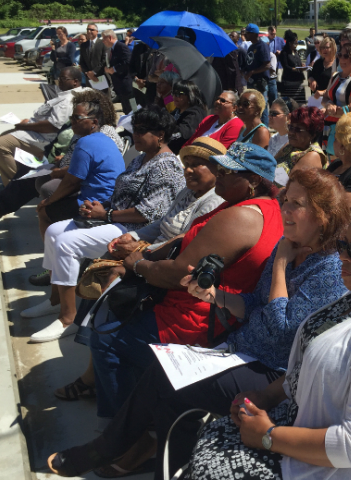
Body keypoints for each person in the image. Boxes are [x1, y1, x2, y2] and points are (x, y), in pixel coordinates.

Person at [46, 168, 351, 478]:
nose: (285, 209)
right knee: (169, 393)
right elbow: (255, 304)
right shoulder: (288, 245)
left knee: (166, 379)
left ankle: (106, 448)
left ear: (322, 216)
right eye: (285, 200)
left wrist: (281, 265)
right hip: (241, 349)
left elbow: (284, 331)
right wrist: (214, 296)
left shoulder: (329, 270)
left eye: (296, 204)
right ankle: (165, 469)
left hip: (275, 371)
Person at [178, 199, 351, 480]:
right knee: (213, 436)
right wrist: (267, 396)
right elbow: (312, 365)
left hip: (343, 467)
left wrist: (268, 436)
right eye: (343, 246)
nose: (343, 257)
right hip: (301, 428)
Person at [89, 143, 284, 425]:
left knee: (106, 337)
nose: (219, 173)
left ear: (253, 180)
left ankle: (127, 431)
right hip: (206, 308)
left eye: (229, 170)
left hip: (198, 318)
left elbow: (180, 275)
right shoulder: (260, 207)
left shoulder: (242, 217)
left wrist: (138, 265)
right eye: (219, 167)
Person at [23, 106, 186, 343]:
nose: (136, 135)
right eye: (134, 130)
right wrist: (97, 207)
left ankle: (67, 319)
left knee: (67, 243)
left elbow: (149, 212)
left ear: (160, 134)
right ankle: (55, 299)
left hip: (137, 232)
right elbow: (122, 192)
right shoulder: (141, 158)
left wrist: (106, 214)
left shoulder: (167, 165)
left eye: (142, 131)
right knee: (53, 231)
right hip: (117, 219)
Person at [0, 90, 124, 222]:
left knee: (43, 183)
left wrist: (60, 172)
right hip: (70, 171)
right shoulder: (86, 130)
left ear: (95, 116)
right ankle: (0, 204)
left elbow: (92, 168)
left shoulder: (105, 135)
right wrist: (63, 159)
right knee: (31, 169)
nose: (71, 120)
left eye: (76, 116)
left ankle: (42, 211)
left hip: (84, 183)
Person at [0, 66, 83, 186]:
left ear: (75, 81)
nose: (59, 81)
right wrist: (28, 122)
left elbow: (52, 126)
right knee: (4, 135)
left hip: (42, 139)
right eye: (58, 78)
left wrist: (23, 126)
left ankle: (14, 186)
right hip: (36, 131)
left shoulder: (68, 100)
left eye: (63, 79)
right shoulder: (66, 94)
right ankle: (23, 175)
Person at [321, 42, 351, 154]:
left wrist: (332, 111)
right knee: (328, 162)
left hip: (344, 128)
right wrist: (329, 105)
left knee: (340, 160)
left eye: (346, 56)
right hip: (328, 126)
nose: (341, 59)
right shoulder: (335, 76)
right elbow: (324, 98)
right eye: (340, 55)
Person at [274, 106, 327, 176]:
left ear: (312, 134)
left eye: (298, 129)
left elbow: (292, 184)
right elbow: (271, 163)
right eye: (290, 127)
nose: (291, 132)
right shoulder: (290, 146)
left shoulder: (313, 155)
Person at [242, 24, 272, 125]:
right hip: (251, 82)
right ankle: (255, 127)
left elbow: (267, 65)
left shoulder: (262, 46)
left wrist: (253, 72)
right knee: (252, 106)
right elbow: (249, 63)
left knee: (261, 105)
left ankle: (265, 128)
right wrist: (245, 71)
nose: (246, 35)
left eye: (248, 33)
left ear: (254, 34)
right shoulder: (251, 47)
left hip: (260, 82)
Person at [167, 80, 208, 154]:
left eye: (180, 94)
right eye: (173, 93)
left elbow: (183, 134)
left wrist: (164, 135)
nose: (175, 96)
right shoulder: (177, 111)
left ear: (190, 95)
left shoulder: (195, 114)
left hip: (184, 153)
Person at [102, 29, 136, 115]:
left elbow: (128, 61)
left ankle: (137, 126)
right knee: (126, 109)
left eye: (103, 38)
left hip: (126, 85)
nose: (103, 41)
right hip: (119, 86)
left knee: (133, 108)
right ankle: (128, 127)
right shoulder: (112, 49)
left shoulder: (121, 46)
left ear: (110, 37)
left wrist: (114, 69)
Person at [278, 30, 307, 103]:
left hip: (299, 80)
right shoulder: (284, 53)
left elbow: (298, 62)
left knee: (299, 103)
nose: (296, 45)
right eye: (295, 43)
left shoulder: (296, 52)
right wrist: (295, 69)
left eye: (297, 43)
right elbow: (286, 66)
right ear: (289, 43)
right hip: (289, 81)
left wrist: (302, 66)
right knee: (289, 103)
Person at [307, 36, 336, 105]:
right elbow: (310, 76)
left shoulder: (337, 64)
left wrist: (323, 92)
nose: (324, 50)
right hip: (316, 99)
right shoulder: (318, 63)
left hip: (331, 101)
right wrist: (312, 80)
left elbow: (337, 85)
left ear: (332, 48)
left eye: (326, 47)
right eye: (322, 47)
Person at [267, 26, 286, 102]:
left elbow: (285, 51)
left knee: (278, 81)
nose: (273, 35)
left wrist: (280, 52)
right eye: (271, 34)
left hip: (278, 64)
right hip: (268, 65)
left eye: (274, 33)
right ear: (268, 32)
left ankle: (278, 97)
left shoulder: (280, 40)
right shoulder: (265, 40)